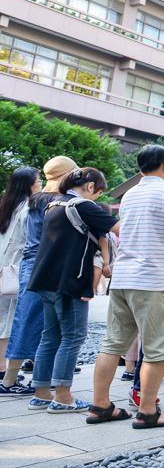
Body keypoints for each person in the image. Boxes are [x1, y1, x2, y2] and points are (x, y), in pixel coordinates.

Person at [88, 145, 164, 427]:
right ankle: (148, 412)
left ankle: (100, 405)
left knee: (112, 344)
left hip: (123, 280)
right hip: (153, 280)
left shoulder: (130, 194)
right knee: (157, 348)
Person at [28, 167, 118, 413]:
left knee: (51, 336)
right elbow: (120, 230)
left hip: (45, 279)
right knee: (73, 336)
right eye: (99, 192)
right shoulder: (83, 206)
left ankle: (41, 393)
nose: (97, 198)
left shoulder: (53, 204)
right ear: (90, 187)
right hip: (68, 282)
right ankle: (63, 397)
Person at [0, 157, 77, 395]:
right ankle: (11, 379)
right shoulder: (43, 204)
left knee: (25, 323)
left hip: (19, 268)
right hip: (36, 268)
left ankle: (18, 377)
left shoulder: (19, 204)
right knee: (26, 323)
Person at [0, 167, 42, 379]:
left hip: (3, 268)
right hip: (16, 271)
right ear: (28, 184)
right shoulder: (28, 209)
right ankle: (2, 370)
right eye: (38, 179)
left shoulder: (7, 206)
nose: (41, 182)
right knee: (10, 321)